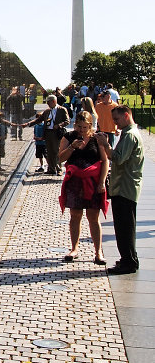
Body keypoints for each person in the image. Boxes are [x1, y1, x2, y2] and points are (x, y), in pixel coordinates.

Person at [96, 104, 145, 274]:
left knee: (125, 228)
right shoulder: (128, 134)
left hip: (125, 188)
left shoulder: (130, 135)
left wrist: (105, 145)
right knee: (124, 227)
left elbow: (118, 158)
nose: (115, 124)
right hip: (124, 187)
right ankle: (128, 259)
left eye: (116, 119)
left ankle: (129, 262)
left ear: (126, 116)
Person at [58, 110, 109, 263]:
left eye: (84, 127)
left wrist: (101, 182)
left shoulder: (97, 138)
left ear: (90, 126)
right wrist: (72, 147)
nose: (81, 130)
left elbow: (105, 161)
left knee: (93, 217)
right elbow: (60, 159)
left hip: (92, 182)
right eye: (78, 127)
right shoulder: (68, 137)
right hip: (75, 182)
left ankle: (98, 252)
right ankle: (74, 248)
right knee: (75, 216)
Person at [23, 94, 70, 175]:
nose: (47, 104)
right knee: (49, 151)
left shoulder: (62, 110)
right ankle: (51, 168)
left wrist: (59, 125)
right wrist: (28, 124)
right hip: (48, 133)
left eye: (49, 102)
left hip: (56, 133)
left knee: (56, 151)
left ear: (54, 101)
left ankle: (58, 169)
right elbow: (38, 120)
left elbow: (67, 121)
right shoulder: (47, 111)